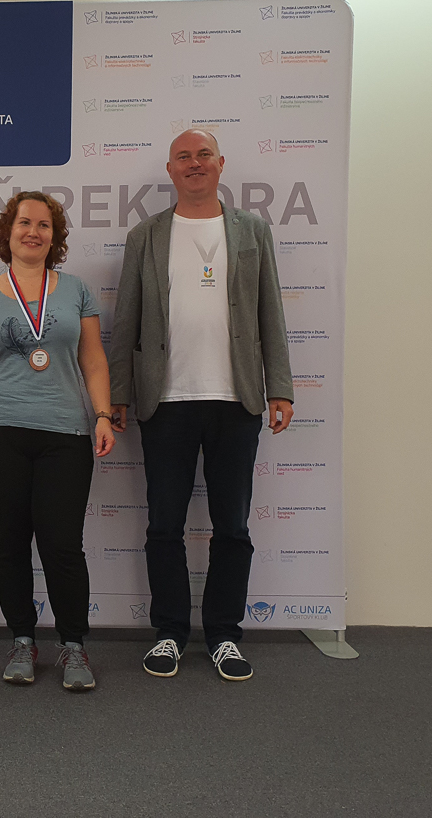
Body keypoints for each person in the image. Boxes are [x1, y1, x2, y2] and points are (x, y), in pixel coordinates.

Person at [109, 129, 294, 683]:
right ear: (170, 170)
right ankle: (168, 633)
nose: (195, 164)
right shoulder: (145, 235)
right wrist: (118, 394)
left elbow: (270, 313)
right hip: (165, 401)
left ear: (221, 164)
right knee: (164, 524)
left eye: (204, 155)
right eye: (184, 157)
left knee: (232, 526)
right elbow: (126, 321)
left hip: (237, 400)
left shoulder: (252, 231)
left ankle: (224, 635)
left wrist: (280, 387)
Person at [0, 191, 117, 691]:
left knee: (62, 545)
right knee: (10, 542)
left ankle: (73, 645)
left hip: (64, 433)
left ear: (54, 236)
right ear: (8, 232)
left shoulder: (77, 290)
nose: (33, 232)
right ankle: (22, 638)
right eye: (24, 223)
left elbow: (93, 359)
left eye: (44, 225)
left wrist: (103, 414)